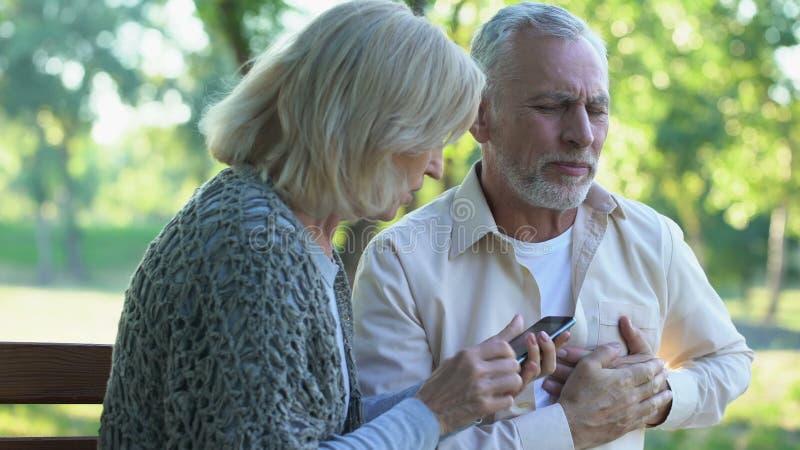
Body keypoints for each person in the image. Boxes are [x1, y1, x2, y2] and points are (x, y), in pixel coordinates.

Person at [98, 1, 562, 449]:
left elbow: (326, 427)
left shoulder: (299, 234)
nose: (437, 168)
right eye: (430, 138)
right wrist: (433, 411)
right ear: (373, 128)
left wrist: (461, 397)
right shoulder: (252, 248)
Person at [351, 2, 754, 449]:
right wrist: (571, 427)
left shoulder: (651, 236)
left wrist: (650, 396)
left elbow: (727, 360)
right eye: (551, 106)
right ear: (479, 117)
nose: (582, 134)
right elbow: (389, 442)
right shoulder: (401, 262)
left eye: (597, 110)